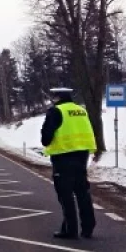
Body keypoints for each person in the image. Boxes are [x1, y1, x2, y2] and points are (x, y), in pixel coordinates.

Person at [41, 87, 97, 239]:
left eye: (53, 97)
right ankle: (88, 227)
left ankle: (70, 230)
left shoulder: (55, 111)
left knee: (65, 195)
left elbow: (46, 138)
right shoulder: (80, 110)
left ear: (57, 97)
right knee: (82, 192)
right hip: (82, 157)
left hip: (63, 157)